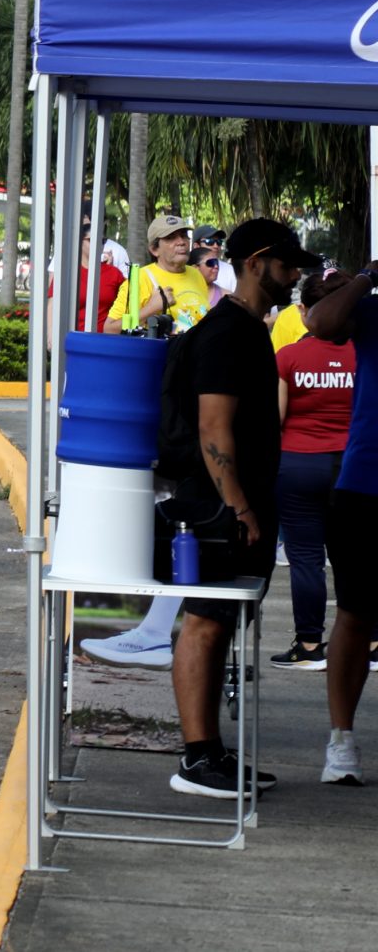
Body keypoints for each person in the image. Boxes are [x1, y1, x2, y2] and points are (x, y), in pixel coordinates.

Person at [153, 217, 307, 799]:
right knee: (205, 620)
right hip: (218, 506)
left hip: (237, 500)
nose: (294, 275)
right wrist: (239, 508)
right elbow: (213, 428)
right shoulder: (226, 334)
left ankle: (210, 750)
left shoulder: (248, 329)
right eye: (286, 265)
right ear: (255, 263)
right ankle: (197, 758)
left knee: (219, 623)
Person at [305, 250, 378, 785]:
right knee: (355, 615)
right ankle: (341, 741)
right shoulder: (372, 311)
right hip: (366, 486)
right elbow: (321, 322)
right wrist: (368, 277)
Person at [271, 269, 357, 668]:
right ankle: (371, 643)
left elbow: (276, 419)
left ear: (305, 311)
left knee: (306, 558)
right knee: (357, 557)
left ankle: (309, 646)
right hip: (354, 466)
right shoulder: (366, 355)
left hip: (299, 464)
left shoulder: (288, 357)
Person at [104, 213, 210, 335]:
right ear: (154, 250)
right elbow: (110, 329)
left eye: (184, 235)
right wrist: (151, 308)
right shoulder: (140, 278)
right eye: (170, 238)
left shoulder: (196, 274)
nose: (181, 242)